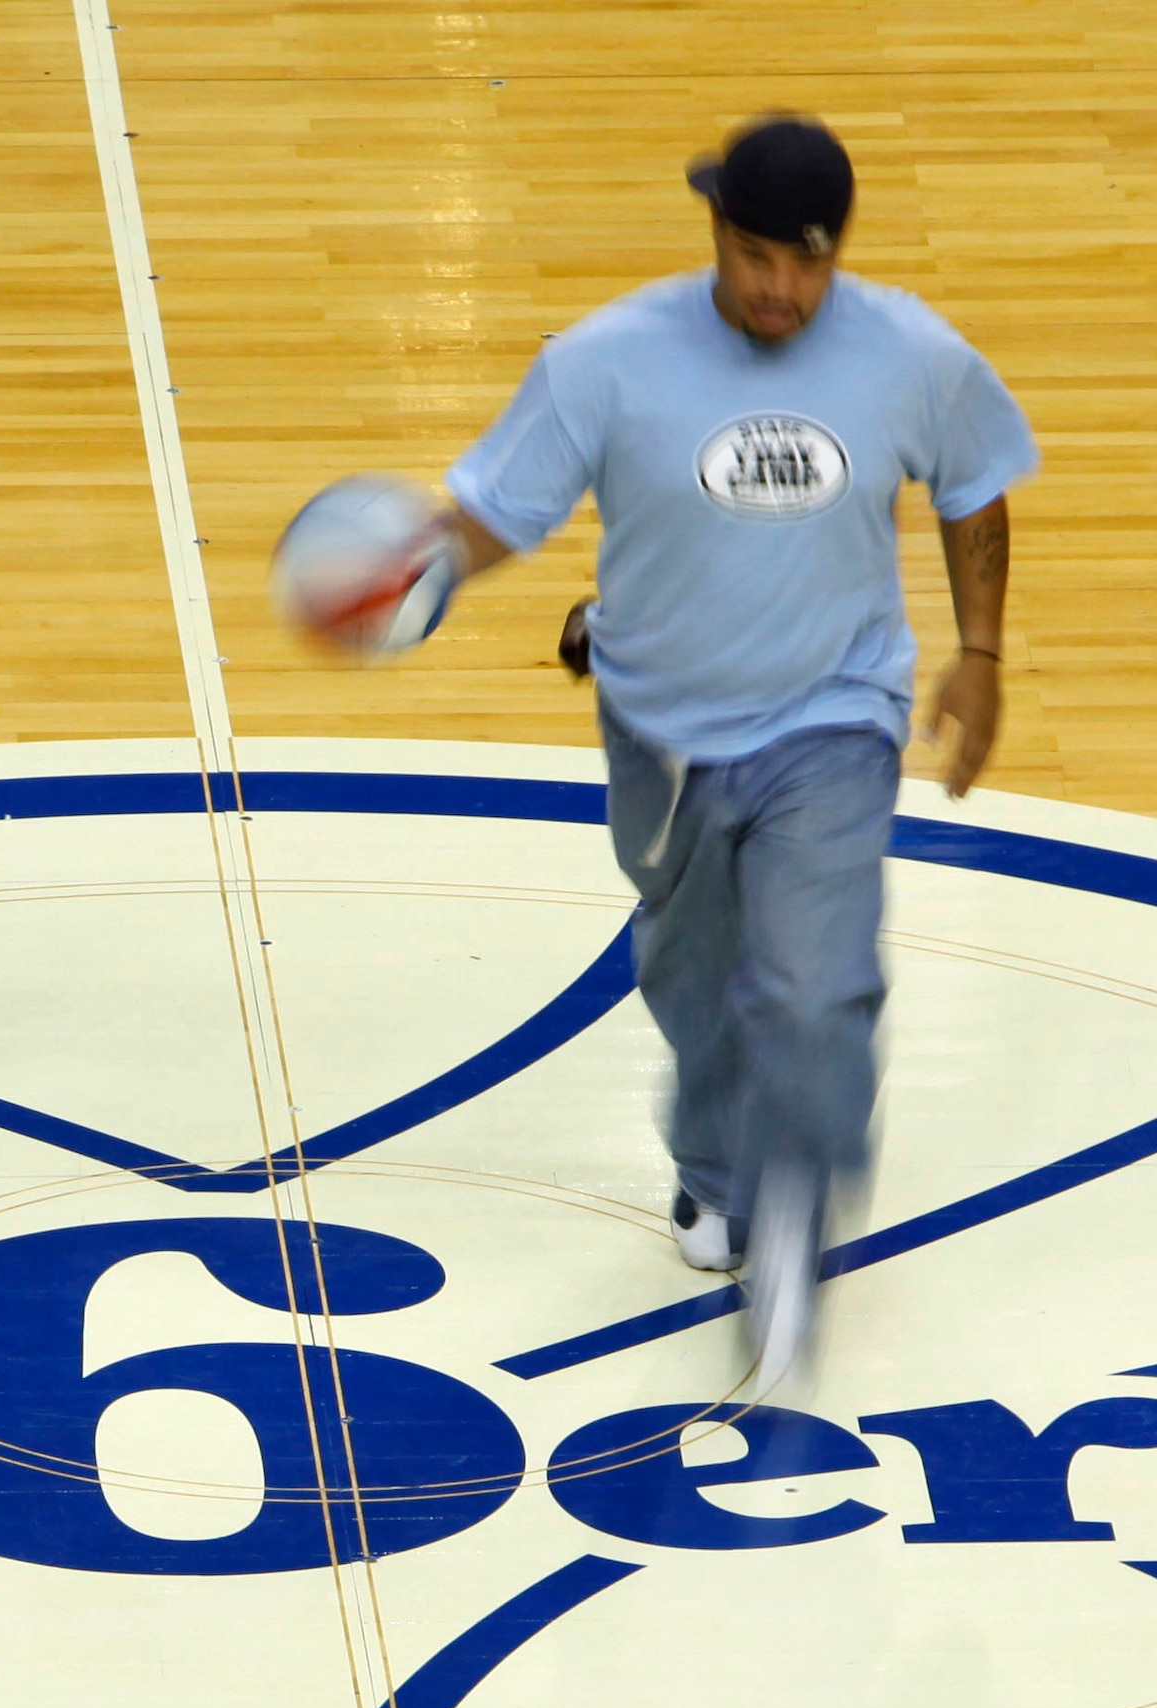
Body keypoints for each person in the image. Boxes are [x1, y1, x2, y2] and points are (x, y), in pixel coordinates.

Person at [425, 113, 1036, 1390]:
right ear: (715, 232)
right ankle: (714, 1173)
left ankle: (793, 1205)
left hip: (833, 718)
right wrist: (412, 566)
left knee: (811, 989)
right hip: (658, 728)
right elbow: (499, 509)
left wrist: (978, 657)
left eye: (807, 265)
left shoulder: (909, 353)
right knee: (697, 975)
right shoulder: (606, 360)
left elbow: (973, 478)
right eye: (758, 257)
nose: (779, 288)